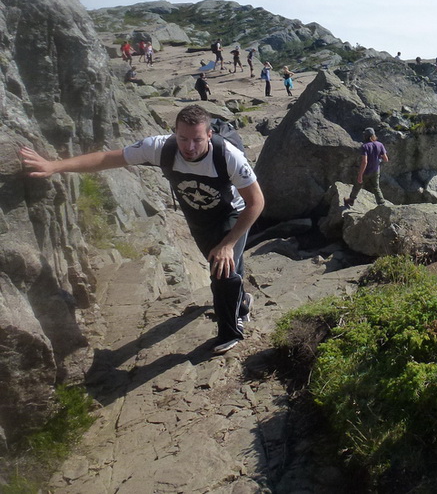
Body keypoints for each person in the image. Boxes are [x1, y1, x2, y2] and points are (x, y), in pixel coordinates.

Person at [20, 105, 264, 354]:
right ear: (174, 133)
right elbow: (106, 159)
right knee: (223, 266)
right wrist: (54, 166)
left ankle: (231, 329)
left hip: (231, 214)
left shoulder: (227, 155)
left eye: (197, 140)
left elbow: (256, 202)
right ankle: (241, 299)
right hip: (198, 217)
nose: (189, 147)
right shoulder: (160, 148)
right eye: (183, 138)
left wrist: (227, 244)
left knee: (222, 269)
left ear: (209, 135)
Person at [344, 127, 390, 208]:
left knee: (358, 185)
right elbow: (386, 159)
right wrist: (378, 160)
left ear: (365, 136)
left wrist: (360, 174)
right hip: (376, 170)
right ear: (373, 135)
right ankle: (381, 203)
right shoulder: (380, 144)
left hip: (366, 171)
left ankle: (351, 200)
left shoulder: (365, 146)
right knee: (376, 187)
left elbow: (364, 162)